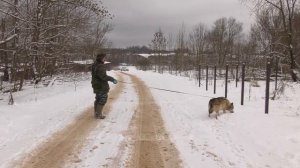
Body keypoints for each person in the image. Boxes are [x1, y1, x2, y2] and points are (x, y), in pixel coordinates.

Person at [91, 53, 117, 119]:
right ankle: (98, 114)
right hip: (101, 86)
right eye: (104, 58)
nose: (105, 59)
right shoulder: (100, 66)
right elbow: (103, 77)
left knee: (98, 99)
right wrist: (112, 79)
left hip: (95, 85)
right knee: (103, 99)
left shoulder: (94, 65)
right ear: (101, 59)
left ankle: (96, 113)